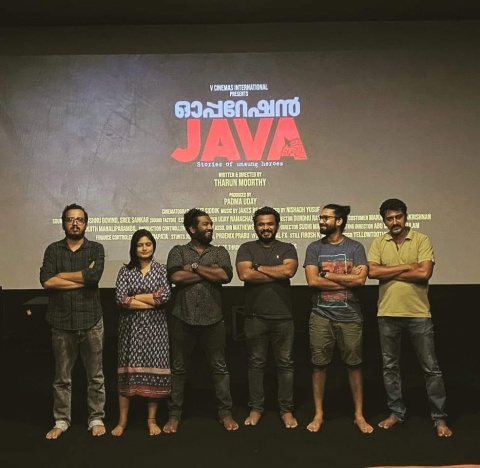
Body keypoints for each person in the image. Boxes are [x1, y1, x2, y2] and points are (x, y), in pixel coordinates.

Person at [367, 198, 452, 437]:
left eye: (398, 217)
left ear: (405, 217)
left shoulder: (421, 240)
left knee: (431, 369)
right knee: (390, 368)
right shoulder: (379, 242)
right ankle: (396, 413)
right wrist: (407, 267)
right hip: (387, 313)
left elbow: (424, 273)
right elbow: (372, 272)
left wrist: (389, 272)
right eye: (389, 218)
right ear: (384, 221)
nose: (394, 222)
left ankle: (439, 418)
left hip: (419, 314)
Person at [163, 208, 238, 433]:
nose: (210, 227)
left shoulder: (220, 252)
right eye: (205, 224)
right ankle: (174, 416)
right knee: (178, 369)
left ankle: (225, 414)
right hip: (182, 318)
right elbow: (175, 276)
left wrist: (194, 268)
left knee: (219, 368)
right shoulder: (178, 251)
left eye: (211, 224)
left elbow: (225, 276)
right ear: (192, 228)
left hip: (213, 319)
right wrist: (209, 272)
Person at [304, 204, 373, 434]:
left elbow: (360, 281)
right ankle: (318, 414)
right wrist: (346, 279)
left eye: (326, 217)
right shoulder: (314, 248)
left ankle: (359, 415)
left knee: (354, 366)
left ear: (340, 221)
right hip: (320, 316)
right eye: (320, 217)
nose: (321, 221)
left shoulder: (355, 247)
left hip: (350, 316)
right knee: (319, 366)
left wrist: (328, 274)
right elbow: (313, 281)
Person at [40, 203, 106, 439]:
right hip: (61, 322)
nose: (75, 223)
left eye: (79, 219)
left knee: (95, 376)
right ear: (63, 223)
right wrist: (81, 278)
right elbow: (46, 281)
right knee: (62, 378)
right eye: (70, 219)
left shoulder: (96, 248)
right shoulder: (53, 250)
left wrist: (61, 276)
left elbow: (94, 277)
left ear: (85, 223)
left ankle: (96, 418)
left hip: (91, 320)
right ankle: (61, 420)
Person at [236, 206, 298, 428]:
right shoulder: (246, 248)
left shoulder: (287, 247)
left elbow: (289, 272)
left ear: (277, 225)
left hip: (283, 317)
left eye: (270, 223)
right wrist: (276, 273)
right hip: (255, 317)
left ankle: (286, 410)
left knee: (285, 365)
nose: (265, 228)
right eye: (261, 224)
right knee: (255, 364)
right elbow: (244, 274)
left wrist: (259, 268)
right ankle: (256, 409)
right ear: (255, 226)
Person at [111, 229, 171, 436]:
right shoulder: (125, 271)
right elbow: (121, 299)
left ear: (153, 246)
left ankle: (151, 420)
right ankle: (122, 421)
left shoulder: (161, 270)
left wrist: (135, 297)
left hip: (156, 330)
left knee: (153, 375)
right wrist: (150, 300)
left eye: (148, 244)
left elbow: (163, 298)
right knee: (127, 375)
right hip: (131, 331)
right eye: (140, 245)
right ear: (134, 248)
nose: (144, 248)